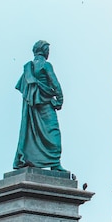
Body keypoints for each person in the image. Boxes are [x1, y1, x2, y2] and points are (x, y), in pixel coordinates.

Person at [13, 40, 67, 172]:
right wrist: (60, 100)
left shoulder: (28, 68)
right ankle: (55, 163)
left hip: (33, 105)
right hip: (45, 104)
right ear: (44, 51)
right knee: (54, 132)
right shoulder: (46, 65)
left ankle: (28, 158)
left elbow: (22, 87)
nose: (49, 53)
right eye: (48, 50)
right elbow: (55, 83)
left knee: (32, 132)